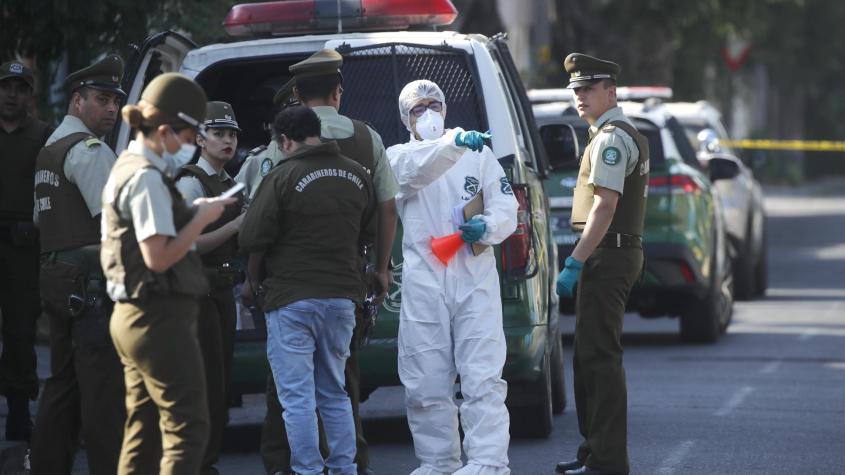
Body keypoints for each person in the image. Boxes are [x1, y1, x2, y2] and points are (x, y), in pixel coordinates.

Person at [257, 48, 398, 475]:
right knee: (340, 383)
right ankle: (350, 464)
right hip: (346, 277)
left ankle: (289, 466)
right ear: (338, 92)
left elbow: (261, 209)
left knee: (288, 388)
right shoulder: (367, 137)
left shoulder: (283, 142)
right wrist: (381, 266)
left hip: (290, 281)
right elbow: (387, 207)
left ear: (297, 95)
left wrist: (255, 276)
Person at [101, 72, 233, 474]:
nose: (192, 143)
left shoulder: (129, 165)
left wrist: (191, 213)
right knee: (188, 427)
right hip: (157, 314)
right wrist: (204, 217)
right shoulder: (147, 178)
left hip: (135, 312)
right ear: (163, 130)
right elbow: (158, 256)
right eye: (190, 134)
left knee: (143, 431)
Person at [386, 79, 517, 475]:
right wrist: (457, 141)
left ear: (445, 108)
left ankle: (488, 462)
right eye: (417, 108)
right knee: (425, 379)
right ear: (405, 118)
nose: (427, 113)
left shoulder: (479, 155)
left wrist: (489, 225)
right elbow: (419, 170)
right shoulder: (397, 158)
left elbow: (506, 206)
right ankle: (438, 462)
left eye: (433, 104)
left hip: (473, 276)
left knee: (482, 374)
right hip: (425, 279)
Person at [239, 105, 375, 475]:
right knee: (335, 392)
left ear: (285, 140)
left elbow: (252, 236)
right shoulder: (356, 174)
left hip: (292, 300)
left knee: (297, 398)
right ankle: (345, 469)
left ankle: (308, 471)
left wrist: (252, 281)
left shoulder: (282, 177)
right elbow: (370, 231)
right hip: (343, 299)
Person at [29, 54, 127, 475]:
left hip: (58, 280)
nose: (111, 109)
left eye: (115, 101)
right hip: (92, 288)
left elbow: (41, 220)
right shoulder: (90, 152)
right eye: (101, 99)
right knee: (104, 394)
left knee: (62, 387)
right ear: (77, 102)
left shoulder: (49, 151)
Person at [553, 53, 649, 475]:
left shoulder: (611, 137)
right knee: (591, 356)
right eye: (575, 90)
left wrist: (575, 261)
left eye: (588, 89)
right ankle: (596, 452)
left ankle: (607, 461)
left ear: (610, 92)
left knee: (600, 359)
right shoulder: (609, 132)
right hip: (609, 251)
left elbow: (605, 207)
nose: (580, 96)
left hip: (608, 253)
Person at [175, 101, 246, 475]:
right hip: (196, 296)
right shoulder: (191, 181)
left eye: (232, 133)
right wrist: (236, 227)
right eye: (218, 133)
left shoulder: (230, 183)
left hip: (222, 293)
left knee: (218, 384)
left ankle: (207, 462)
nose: (227, 140)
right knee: (201, 385)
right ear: (200, 139)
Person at [0, 60, 51, 441]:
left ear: (29, 95)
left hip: (22, 246)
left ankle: (19, 414)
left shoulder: (42, 135)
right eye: (6, 87)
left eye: (19, 88)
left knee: (20, 331)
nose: (11, 95)